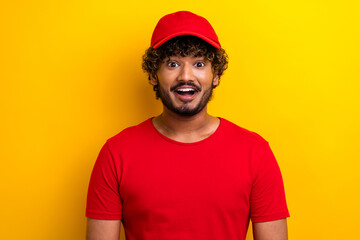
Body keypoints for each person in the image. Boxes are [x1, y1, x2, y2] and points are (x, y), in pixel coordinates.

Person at [86, 11, 289, 240]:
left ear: (215, 75)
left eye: (199, 64)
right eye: (172, 64)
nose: (186, 76)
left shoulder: (255, 152)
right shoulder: (116, 154)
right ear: (154, 74)